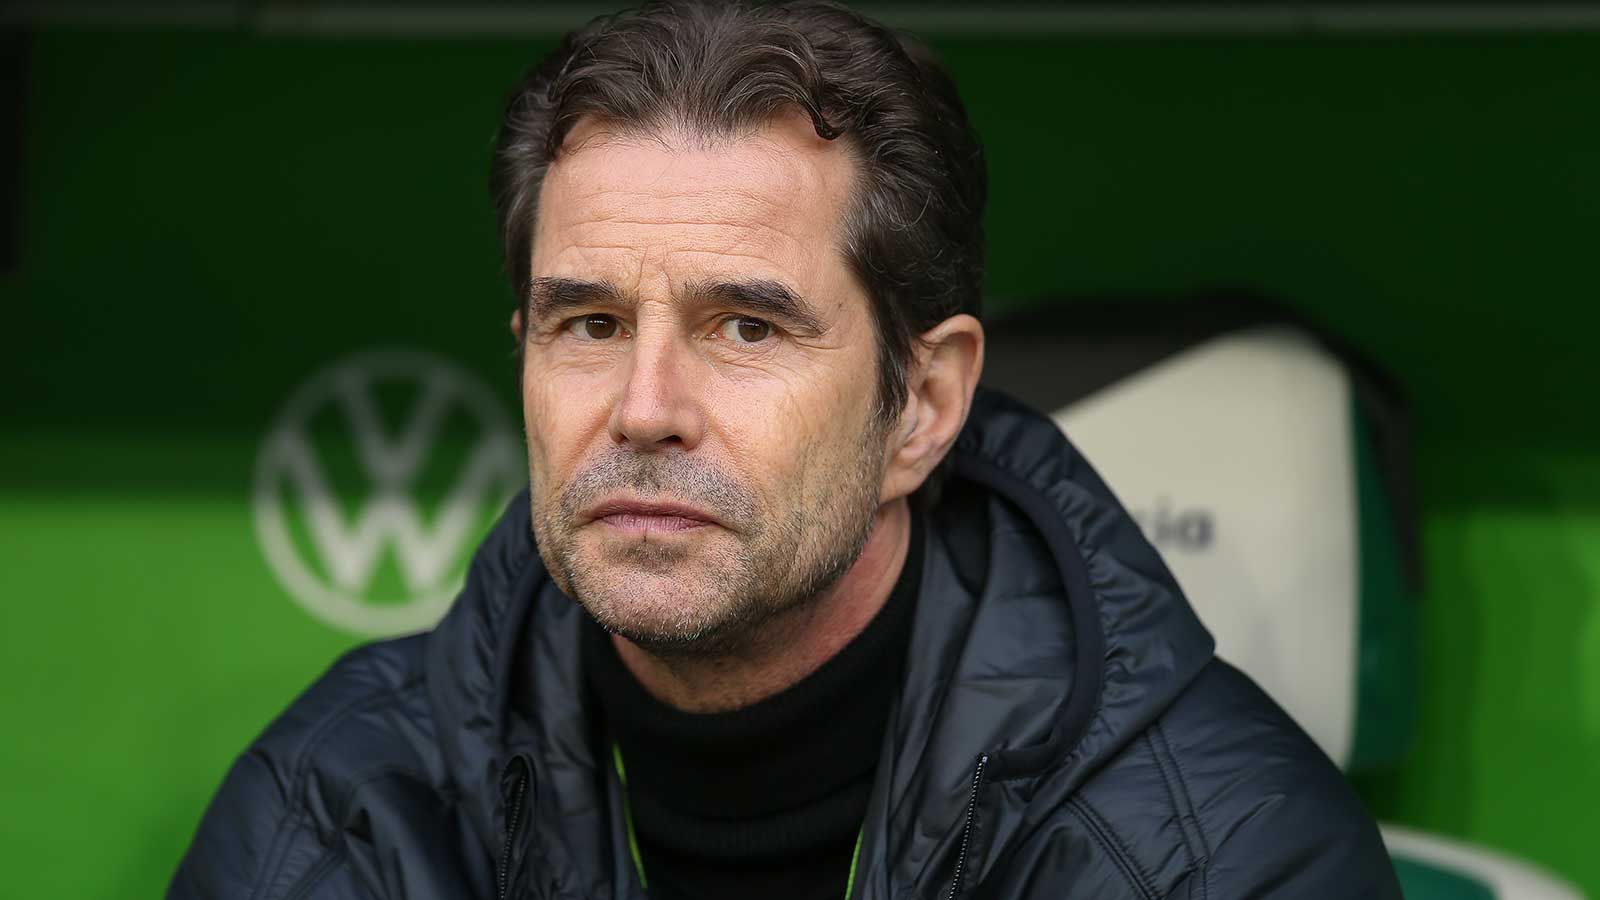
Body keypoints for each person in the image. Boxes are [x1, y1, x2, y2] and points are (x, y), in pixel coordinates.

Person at [170, 1, 1402, 897]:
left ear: (921, 406)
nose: (644, 407)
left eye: (746, 327)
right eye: (590, 324)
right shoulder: (336, 818)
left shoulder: (1215, 858)